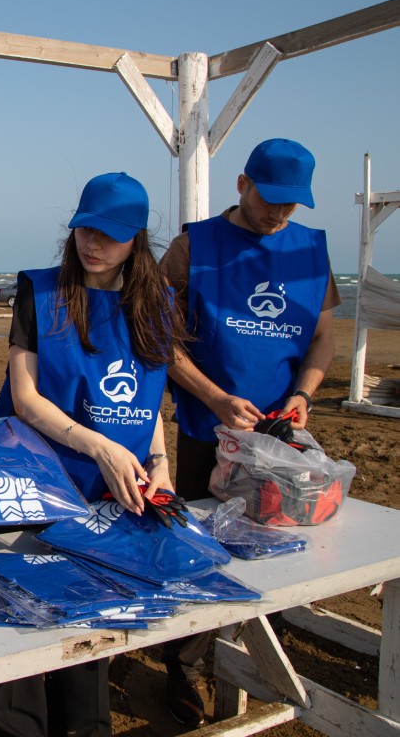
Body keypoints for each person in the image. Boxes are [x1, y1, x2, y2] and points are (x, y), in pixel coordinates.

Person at [0, 172, 183, 737]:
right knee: (18, 613)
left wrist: (160, 468)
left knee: (90, 621)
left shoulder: (158, 304)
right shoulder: (42, 294)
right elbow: (26, 399)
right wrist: (101, 446)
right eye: (85, 230)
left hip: (108, 492)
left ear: (136, 239)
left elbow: (149, 403)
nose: (93, 244)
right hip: (31, 481)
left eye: (109, 235)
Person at [157, 137, 340, 725]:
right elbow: (159, 336)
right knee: (201, 548)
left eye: (290, 203)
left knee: (278, 542)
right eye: (269, 199)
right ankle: (185, 666)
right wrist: (213, 396)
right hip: (208, 430)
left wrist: (303, 395)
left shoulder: (310, 250)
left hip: (280, 437)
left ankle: (260, 649)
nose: (278, 213)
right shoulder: (194, 246)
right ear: (242, 185)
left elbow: (322, 336)